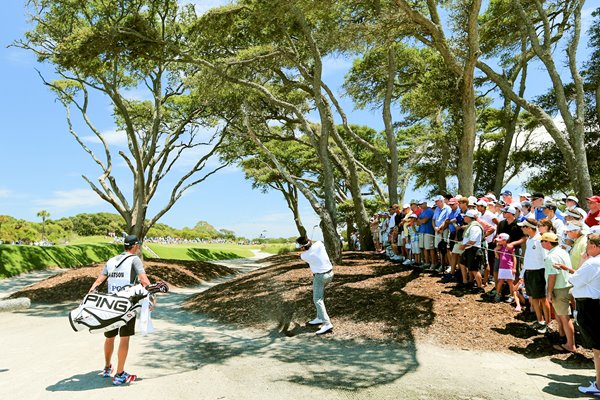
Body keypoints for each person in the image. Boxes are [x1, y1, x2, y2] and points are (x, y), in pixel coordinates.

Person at [88, 234, 151, 386]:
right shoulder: (134, 259)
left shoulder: (111, 260)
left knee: (109, 337)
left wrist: (88, 300)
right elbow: (144, 280)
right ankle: (120, 374)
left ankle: (107, 368)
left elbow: (98, 281)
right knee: (124, 337)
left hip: (109, 305)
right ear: (135, 245)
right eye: (138, 245)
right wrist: (151, 297)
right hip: (125, 304)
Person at [568, 233, 600, 396]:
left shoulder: (593, 263)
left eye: (588, 245)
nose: (586, 248)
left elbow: (574, 279)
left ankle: (599, 386)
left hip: (590, 306)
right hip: (594, 305)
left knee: (597, 348)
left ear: (594, 246)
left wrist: (583, 260)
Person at [541, 232, 576, 353]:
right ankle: (562, 337)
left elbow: (552, 276)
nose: (541, 243)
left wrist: (549, 292)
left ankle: (570, 345)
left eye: (543, 241)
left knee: (565, 317)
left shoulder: (552, 256)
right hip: (566, 286)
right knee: (561, 316)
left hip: (560, 289)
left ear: (548, 242)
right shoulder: (562, 251)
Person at [296, 236, 334, 335]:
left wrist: (305, 248)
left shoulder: (305, 256)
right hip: (330, 274)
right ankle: (320, 317)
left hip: (320, 277)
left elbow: (302, 253)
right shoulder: (319, 244)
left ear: (303, 247)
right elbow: (315, 243)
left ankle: (327, 323)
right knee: (320, 297)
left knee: (317, 299)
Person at [518, 218, 551, 333]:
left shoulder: (539, 240)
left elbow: (546, 258)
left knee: (542, 299)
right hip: (529, 272)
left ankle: (548, 324)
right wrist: (523, 274)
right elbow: (527, 258)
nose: (522, 229)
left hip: (538, 273)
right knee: (534, 299)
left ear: (529, 228)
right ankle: (540, 320)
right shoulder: (529, 240)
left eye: (523, 227)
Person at [494, 233, 517, 303]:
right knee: (500, 281)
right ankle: (497, 294)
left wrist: (514, 268)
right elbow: (498, 257)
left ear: (505, 240)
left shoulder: (510, 247)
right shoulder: (500, 247)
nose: (498, 242)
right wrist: (495, 251)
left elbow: (514, 257)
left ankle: (512, 296)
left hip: (509, 267)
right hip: (502, 267)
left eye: (500, 240)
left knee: (510, 281)